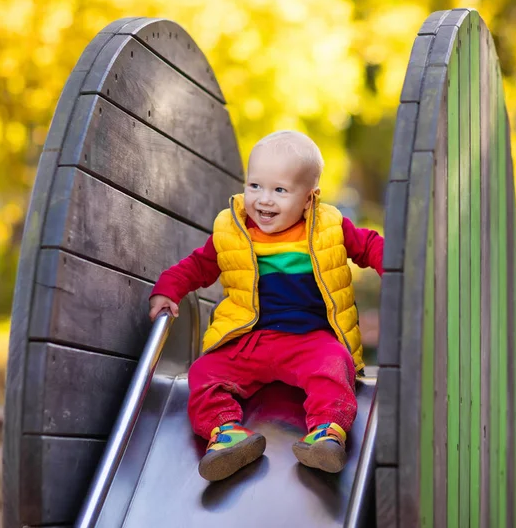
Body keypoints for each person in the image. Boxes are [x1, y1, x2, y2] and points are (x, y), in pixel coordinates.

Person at [149, 130, 383, 482]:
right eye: (254, 185)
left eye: (280, 190)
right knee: (203, 372)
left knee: (335, 367)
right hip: (248, 340)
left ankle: (326, 432)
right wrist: (169, 289)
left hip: (308, 340)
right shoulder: (232, 230)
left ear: (309, 198)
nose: (263, 200)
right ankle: (226, 433)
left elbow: (368, 246)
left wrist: (400, 268)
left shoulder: (328, 227)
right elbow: (198, 265)